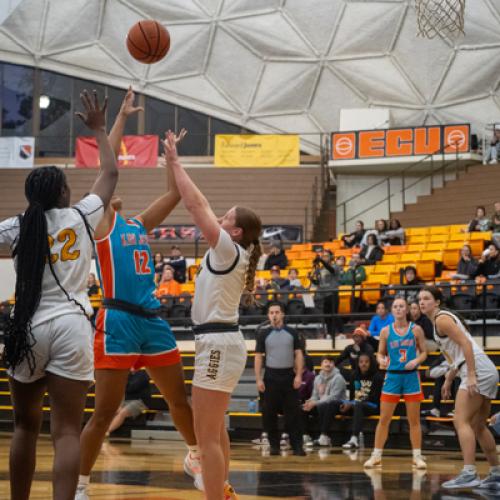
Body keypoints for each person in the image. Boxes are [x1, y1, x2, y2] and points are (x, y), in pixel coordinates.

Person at [76, 91, 201, 500]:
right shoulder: (102, 224)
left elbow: (174, 195)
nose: (107, 192)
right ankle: (79, 485)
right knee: (103, 413)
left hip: (151, 320)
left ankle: (196, 456)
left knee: (179, 400)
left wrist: (171, 159)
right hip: (117, 321)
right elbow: (107, 166)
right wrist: (122, 119)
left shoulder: (138, 223)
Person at [0, 90, 118, 500]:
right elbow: (110, 174)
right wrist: (100, 130)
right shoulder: (81, 214)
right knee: (66, 431)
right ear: (64, 193)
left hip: (27, 326)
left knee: (23, 427)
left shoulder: (17, 225)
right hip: (71, 325)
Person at [165, 129, 262, 500]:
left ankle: (214, 491)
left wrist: (175, 162)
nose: (217, 219)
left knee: (206, 439)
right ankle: (220, 490)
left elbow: (196, 205)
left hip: (218, 343)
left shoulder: (227, 251)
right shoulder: (234, 253)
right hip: (220, 341)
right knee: (214, 432)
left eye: (225, 218)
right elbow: (202, 206)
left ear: (235, 231)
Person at [418, 286, 500, 490]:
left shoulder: (441, 319)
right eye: (419, 299)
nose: (421, 302)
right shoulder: (437, 322)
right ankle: (496, 473)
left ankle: (469, 473)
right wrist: (448, 379)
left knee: (460, 420)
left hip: (478, 371)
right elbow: (457, 356)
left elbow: (466, 344)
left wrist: (471, 375)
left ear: (437, 302)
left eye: (426, 298)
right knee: (478, 426)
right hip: (486, 370)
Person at [364, 297, 427, 469]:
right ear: (392, 311)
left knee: (414, 420)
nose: (398, 309)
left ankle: (417, 456)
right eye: (395, 307)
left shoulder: (417, 330)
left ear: (406, 310)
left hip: (411, 376)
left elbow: (424, 352)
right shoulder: (385, 331)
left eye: (401, 306)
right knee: (384, 419)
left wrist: (417, 361)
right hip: (392, 376)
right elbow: (379, 353)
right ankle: (376, 455)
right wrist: (380, 360)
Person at [254, 302, 305, 456]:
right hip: (270, 377)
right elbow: (258, 357)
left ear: (282, 314)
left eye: (277, 312)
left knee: (293, 414)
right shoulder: (263, 334)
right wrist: (258, 379)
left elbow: (298, 354)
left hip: (288, 376)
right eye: (271, 312)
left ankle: (297, 446)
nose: (274, 315)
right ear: (268, 315)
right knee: (269, 414)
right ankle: (274, 446)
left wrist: (298, 375)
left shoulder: (292, 332)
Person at [342, 353, 384, 450]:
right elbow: (352, 395)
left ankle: (354, 439)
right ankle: (325, 437)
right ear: (358, 363)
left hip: (373, 406)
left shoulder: (377, 377)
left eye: (366, 362)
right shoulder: (354, 375)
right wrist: (347, 404)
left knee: (358, 404)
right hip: (357, 404)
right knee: (337, 405)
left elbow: (375, 397)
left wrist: (353, 403)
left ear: (371, 363)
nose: (363, 364)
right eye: (361, 362)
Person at [302, 356, 346, 447]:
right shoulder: (317, 378)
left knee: (326, 405)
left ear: (334, 365)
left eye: (330, 362)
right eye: (325, 362)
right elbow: (314, 396)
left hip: (338, 405)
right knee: (303, 407)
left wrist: (316, 402)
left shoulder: (339, 378)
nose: (328, 364)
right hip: (321, 404)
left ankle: (324, 436)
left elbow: (334, 397)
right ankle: (305, 435)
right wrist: (310, 402)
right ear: (321, 365)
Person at [106, 369, 152, 434]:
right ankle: (104, 430)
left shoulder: (143, 374)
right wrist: (119, 405)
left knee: (123, 413)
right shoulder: (127, 374)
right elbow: (121, 389)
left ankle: (107, 432)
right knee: (112, 410)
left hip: (141, 401)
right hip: (127, 401)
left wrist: (123, 379)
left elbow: (132, 387)